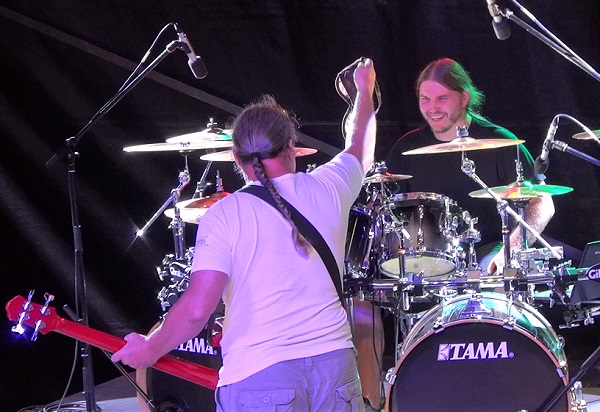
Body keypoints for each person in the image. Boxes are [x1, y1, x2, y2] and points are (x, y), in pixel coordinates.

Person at [112, 57, 377, 411]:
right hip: (336, 371)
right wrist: (363, 90)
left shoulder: (224, 215)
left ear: (236, 158)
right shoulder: (330, 188)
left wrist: (150, 348)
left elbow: (197, 310)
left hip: (260, 378)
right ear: (291, 146)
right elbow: (360, 146)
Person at [352, 57, 555, 410]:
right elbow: (385, 205)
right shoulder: (408, 148)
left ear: (464, 98)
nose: (432, 108)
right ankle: (374, 402)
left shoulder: (501, 142)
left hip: (489, 258)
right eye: (425, 99)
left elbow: (543, 204)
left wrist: (507, 250)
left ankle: (506, 390)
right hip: (426, 261)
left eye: (442, 98)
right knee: (362, 301)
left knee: (499, 284)